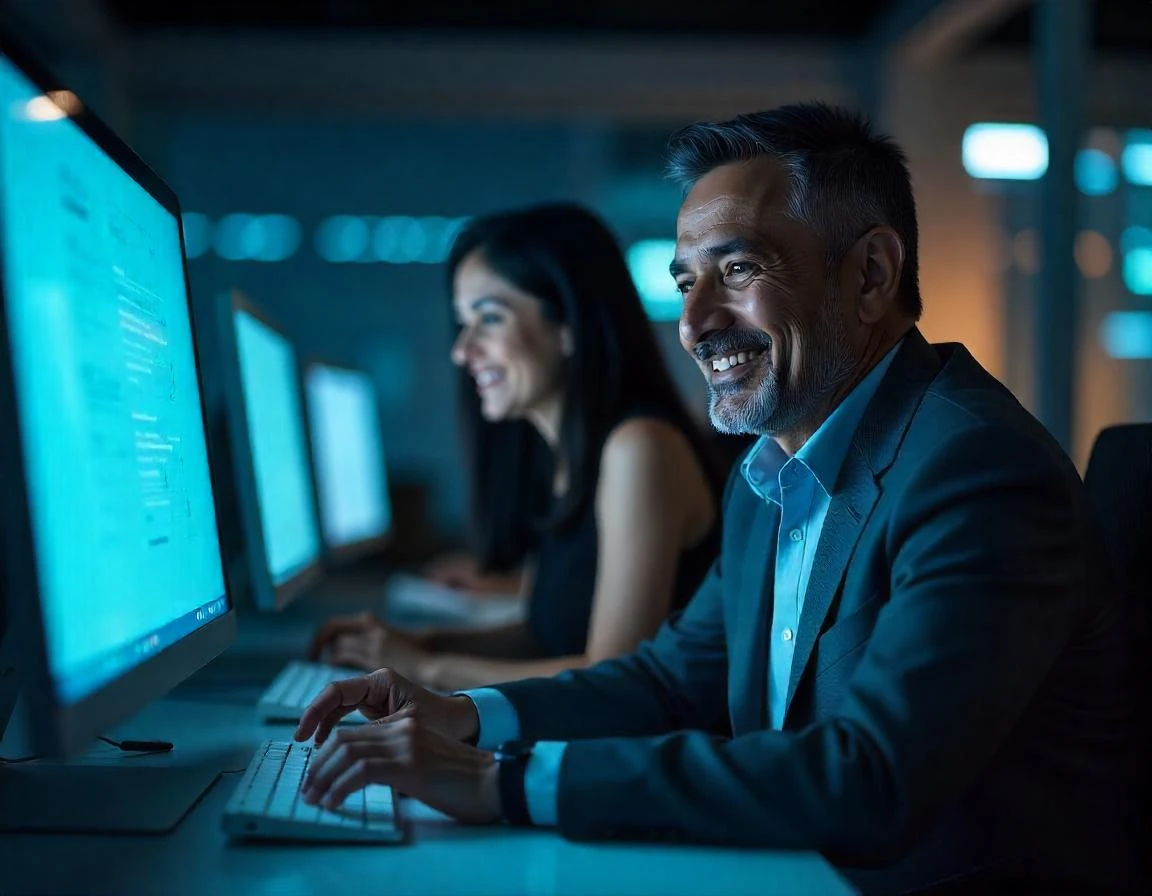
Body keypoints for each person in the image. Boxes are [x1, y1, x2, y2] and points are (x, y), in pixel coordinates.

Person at [293, 105, 1143, 894]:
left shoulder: (975, 468)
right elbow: (672, 680)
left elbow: (869, 776)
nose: (694, 322)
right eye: (684, 280)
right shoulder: (770, 470)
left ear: (872, 274)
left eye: (737, 268)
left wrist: (501, 782)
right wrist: (468, 715)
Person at [310, 203, 722, 692]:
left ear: (568, 322)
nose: (462, 351)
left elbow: (613, 679)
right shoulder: (566, 456)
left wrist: (424, 671)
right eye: (463, 323)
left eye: (489, 318)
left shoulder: (641, 448)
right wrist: (417, 643)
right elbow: (544, 634)